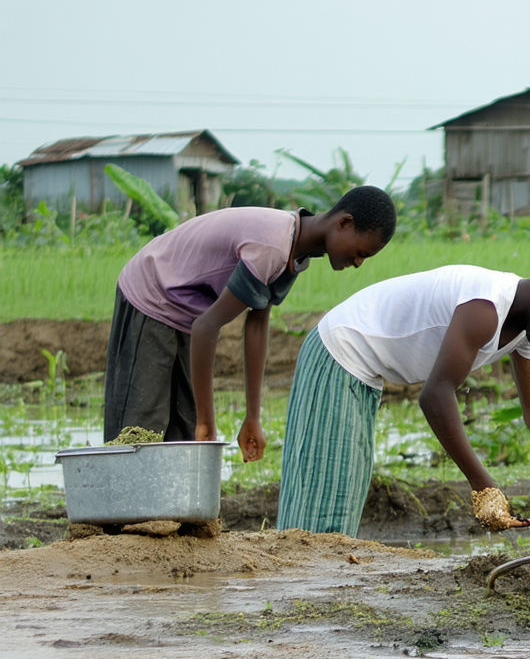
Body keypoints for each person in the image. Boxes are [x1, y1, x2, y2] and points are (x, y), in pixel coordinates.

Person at [276, 257, 530, 537]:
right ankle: (295, 595)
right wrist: (483, 486)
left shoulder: (525, 332)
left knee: (343, 493)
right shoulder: (485, 307)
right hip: (340, 353)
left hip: (364, 373)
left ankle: (308, 588)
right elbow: (435, 395)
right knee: (324, 488)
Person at [103, 185, 397, 462]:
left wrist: (252, 417)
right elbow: (206, 327)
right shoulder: (273, 244)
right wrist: (208, 422)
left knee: (182, 429)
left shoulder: (297, 249)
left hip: (183, 309)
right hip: (152, 291)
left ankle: (165, 515)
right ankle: (123, 511)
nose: (359, 263)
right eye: (361, 253)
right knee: (141, 427)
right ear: (344, 223)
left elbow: (257, 325)